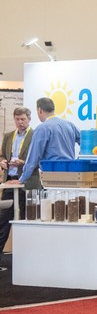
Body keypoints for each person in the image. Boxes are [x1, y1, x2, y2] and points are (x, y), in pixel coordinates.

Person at [12, 97, 80, 189]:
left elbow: (33, 157)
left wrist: (22, 178)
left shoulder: (42, 128)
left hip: (52, 175)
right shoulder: (69, 125)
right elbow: (85, 142)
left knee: (53, 198)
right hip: (71, 173)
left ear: (40, 110)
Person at [1, 106, 33, 253]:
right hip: (9, 181)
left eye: (23, 119)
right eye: (17, 119)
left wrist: (23, 162)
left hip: (26, 183)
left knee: (26, 218)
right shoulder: (8, 136)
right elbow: (2, 155)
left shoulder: (34, 136)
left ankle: (25, 254)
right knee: (4, 220)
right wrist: (2, 162)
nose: (20, 122)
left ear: (29, 119)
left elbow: (38, 159)